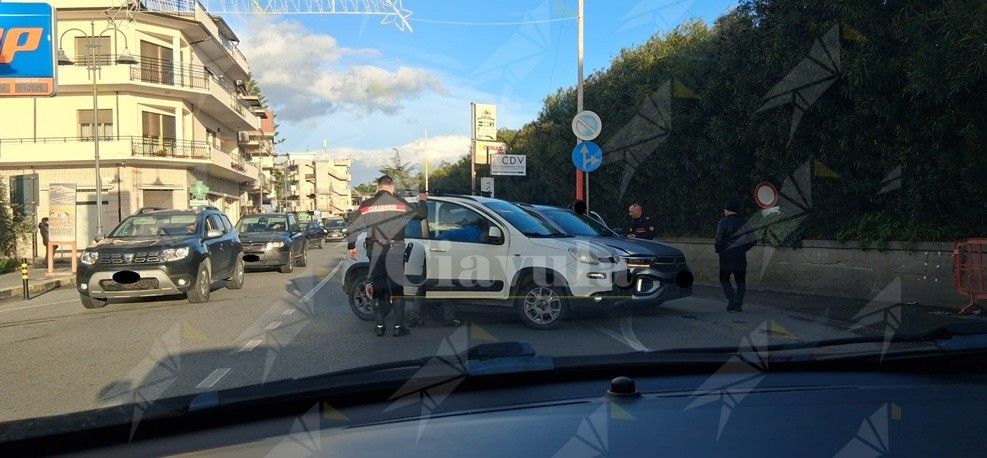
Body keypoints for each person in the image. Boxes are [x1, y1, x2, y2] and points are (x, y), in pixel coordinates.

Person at [347, 175, 427, 337]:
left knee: (377, 289)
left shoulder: (366, 205)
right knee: (397, 289)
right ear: (391, 187)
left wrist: (351, 246)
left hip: (374, 250)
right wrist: (422, 200)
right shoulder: (400, 203)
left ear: (378, 187)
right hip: (395, 250)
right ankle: (398, 327)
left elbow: (353, 226)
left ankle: (379, 326)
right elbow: (422, 214)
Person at [714, 199, 758, 312]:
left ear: (728, 210)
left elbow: (719, 240)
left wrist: (719, 250)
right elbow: (753, 240)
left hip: (726, 256)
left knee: (724, 279)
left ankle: (732, 300)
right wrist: (742, 249)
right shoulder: (744, 222)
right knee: (740, 281)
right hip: (740, 256)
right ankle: (738, 305)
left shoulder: (723, 222)